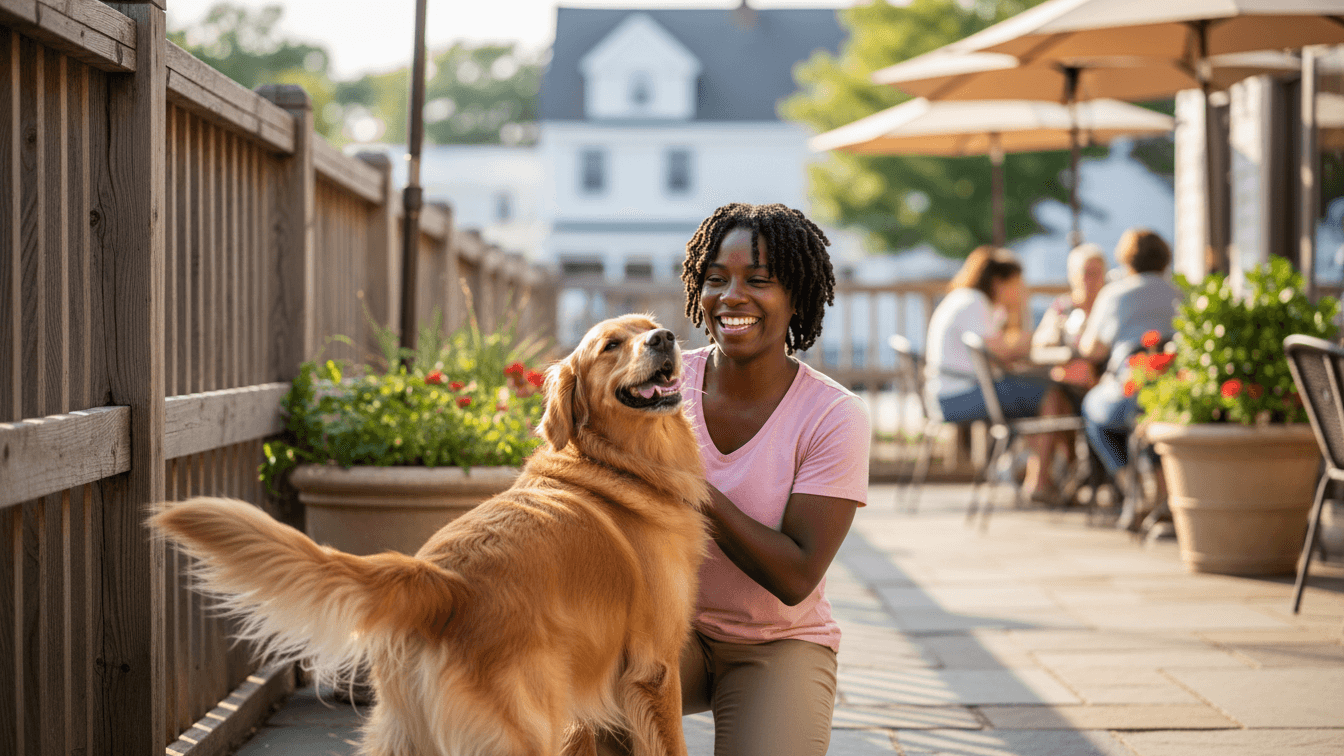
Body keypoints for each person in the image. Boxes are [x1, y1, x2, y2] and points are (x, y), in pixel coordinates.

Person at [599, 203, 869, 756]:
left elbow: (795, 576)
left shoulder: (833, 415)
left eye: (759, 281)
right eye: (716, 280)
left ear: (796, 296)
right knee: (584, 712)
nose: (732, 297)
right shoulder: (659, 378)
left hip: (778, 642)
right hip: (666, 631)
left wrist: (691, 489)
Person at [924, 246, 1070, 501]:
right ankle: (1040, 481)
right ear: (998, 282)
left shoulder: (964, 299)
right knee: (1050, 395)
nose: (1020, 291)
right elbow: (1004, 351)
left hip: (950, 392)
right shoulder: (974, 302)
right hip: (960, 395)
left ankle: (1039, 472)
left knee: (1036, 396)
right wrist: (1032, 328)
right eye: (1016, 284)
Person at [1076, 228, 1180, 523]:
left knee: (1093, 411)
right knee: (1151, 415)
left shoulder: (1116, 293)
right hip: (1171, 393)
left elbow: (1092, 349)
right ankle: (1161, 492)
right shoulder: (1178, 293)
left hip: (1130, 391)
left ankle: (1132, 489)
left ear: (1126, 260)